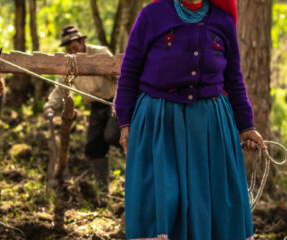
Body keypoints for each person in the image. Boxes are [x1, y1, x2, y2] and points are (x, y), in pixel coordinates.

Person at [114, 0, 266, 239]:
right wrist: (125, 122)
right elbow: (130, 70)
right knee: (164, 196)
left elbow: (234, 78)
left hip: (210, 127)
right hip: (159, 123)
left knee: (211, 198)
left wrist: (246, 126)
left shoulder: (222, 22)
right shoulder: (152, 16)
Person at [44, 25, 120, 192]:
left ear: (83, 41)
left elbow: (120, 76)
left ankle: (133, 163)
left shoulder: (100, 53)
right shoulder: (70, 62)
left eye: (75, 46)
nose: (73, 51)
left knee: (112, 135)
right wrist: (50, 105)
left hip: (114, 102)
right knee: (93, 148)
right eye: (69, 49)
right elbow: (60, 87)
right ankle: (103, 189)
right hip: (95, 106)